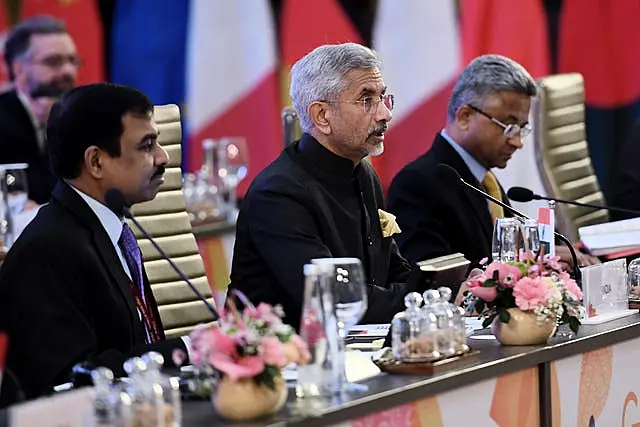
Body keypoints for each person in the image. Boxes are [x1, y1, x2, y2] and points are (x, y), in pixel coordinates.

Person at [0, 83, 188, 406]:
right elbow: (73, 378)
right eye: (146, 146)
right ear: (96, 162)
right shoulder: (48, 250)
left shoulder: (113, 228)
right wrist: (187, 349)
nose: (163, 157)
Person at [228, 43, 419, 330]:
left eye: (382, 97)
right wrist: (421, 301)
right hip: (283, 364)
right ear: (321, 116)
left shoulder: (363, 171)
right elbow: (336, 301)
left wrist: (441, 289)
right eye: (366, 100)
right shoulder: (278, 194)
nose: (385, 114)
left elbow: (392, 269)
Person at [387, 54, 597, 270]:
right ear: (464, 116)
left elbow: (501, 254)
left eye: (522, 129)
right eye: (508, 126)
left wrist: (546, 255)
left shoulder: (485, 178)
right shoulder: (417, 183)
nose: (517, 142)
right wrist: (529, 264)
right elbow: (430, 274)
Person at [0, 15, 79, 205]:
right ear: (19, 69)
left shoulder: (82, 117)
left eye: (72, 61)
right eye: (53, 61)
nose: (68, 71)